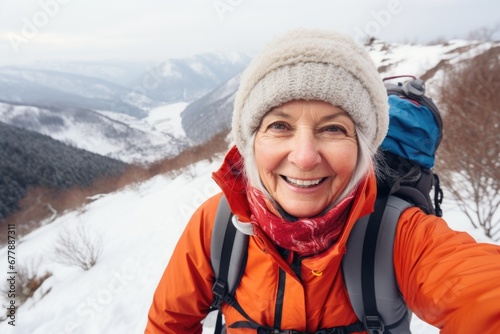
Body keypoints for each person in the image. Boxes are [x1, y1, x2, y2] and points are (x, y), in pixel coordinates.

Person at [145, 29, 500, 333]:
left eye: (333, 128)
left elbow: (483, 293)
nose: (304, 156)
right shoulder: (218, 225)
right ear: (251, 142)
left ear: (363, 149)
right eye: (279, 126)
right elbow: (168, 323)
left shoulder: (398, 234)